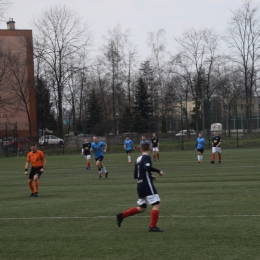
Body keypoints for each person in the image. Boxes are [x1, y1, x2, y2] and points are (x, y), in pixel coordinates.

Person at [116, 142, 164, 232]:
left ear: (141, 149)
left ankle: (121, 215)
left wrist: (149, 176)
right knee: (157, 204)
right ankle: (152, 226)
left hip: (139, 184)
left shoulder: (138, 159)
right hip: (146, 185)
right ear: (149, 148)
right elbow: (147, 167)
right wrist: (158, 171)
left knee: (142, 208)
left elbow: (135, 175)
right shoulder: (146, 157)